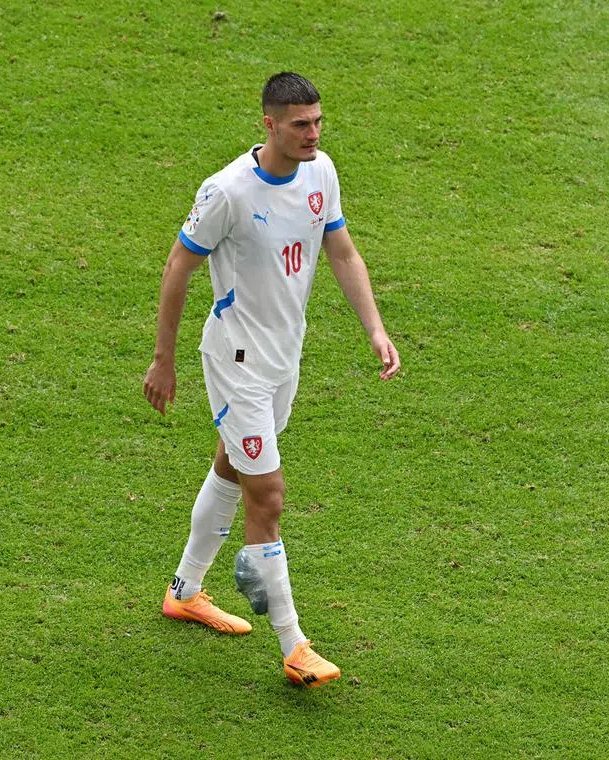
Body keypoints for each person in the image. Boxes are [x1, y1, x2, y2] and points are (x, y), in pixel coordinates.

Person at [142, 72, 400, 688]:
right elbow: (179, 265)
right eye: (300, 125)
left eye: (317, 122)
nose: (313, 134)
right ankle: (295, 646)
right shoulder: (227, 191)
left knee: (233, 467)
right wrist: (163, 358)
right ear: (269, 124)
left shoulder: (321, 172)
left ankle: (185, 591)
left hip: (285, 357)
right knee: (269, 493)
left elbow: (342, 251)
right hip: (238, 363)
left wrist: (375, 328)